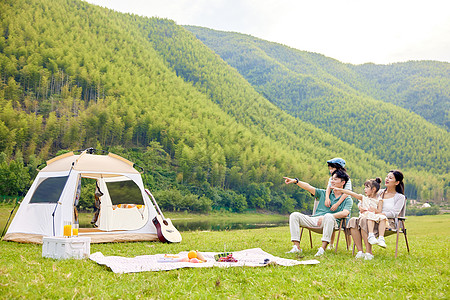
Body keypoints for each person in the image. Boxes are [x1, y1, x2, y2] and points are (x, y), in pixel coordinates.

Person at [284, 169, 353, 257]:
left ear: (343, 182)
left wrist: (326, 217)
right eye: (332, 179)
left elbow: (345, 213)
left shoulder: (347, 199)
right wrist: (295, 181)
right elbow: (309, 187)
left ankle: (322, 249)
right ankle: (296, 247)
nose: (332, 181)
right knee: (294, 215)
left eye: (335, 179)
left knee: (328, 216)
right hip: (315, 220)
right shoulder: (324, 194)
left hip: (331, 222)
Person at [347, 170, 406, 260]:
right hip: (371, 217)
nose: (387, 179)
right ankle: (360, 252)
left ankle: (369, 252)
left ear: (397, 182)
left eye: (390, 178)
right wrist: (360, 207)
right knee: (353, 220)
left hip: (387, 221)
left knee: (364, 220)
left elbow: (394, 213)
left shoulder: (399, 197)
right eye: (387, 177)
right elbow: (366, 199)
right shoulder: (379, 192)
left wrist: (378, 213)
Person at [334, 177, 388, 248]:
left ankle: (381, 238)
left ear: (373, 189)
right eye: (365, 187)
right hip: (365, 217)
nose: (364, 189)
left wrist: (374, 209)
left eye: (367, 187)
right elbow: (352, 193)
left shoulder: (379, 200)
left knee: (383, 217)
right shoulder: (363, 198)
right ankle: (371, 235)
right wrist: (340, 190)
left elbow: (379, 211)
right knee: (370, 215)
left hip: (374, 217)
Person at [324, 158, 352, 249]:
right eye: (330, 169)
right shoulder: (331, 179)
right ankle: (331, 244)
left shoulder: (346, 179)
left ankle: (349, 246)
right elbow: (328, 188)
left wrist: (338, 203)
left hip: (344, 202)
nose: (331, 170)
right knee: (331, 223)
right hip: (334, 199)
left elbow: (347, 192)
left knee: (346, 227)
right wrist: (327, 198)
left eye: (332, 168)